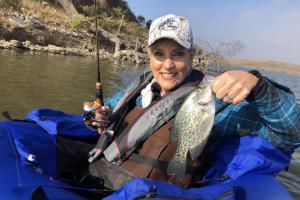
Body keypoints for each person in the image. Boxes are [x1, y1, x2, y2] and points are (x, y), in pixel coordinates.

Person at [57, 14, 300, 192]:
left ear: (192, 57)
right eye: (159, 54)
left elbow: (290, 134)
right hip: (102, 178)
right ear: (149, 57)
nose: (167, 65)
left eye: (178, 54)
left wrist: (258, 86)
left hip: (150, 193)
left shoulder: (216, 99)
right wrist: (102, 114)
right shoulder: (140, 88)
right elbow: (108, 109)